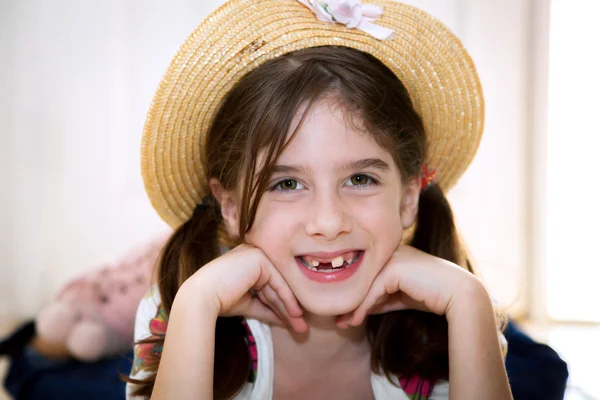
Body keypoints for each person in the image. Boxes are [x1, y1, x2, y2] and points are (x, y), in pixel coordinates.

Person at [126, 0, 513, 399]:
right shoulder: (183, 310)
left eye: (360, 178)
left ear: (408, 198)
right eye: (287, 185)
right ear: (230, 207)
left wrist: (469, 303)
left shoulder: (459, 317)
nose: (328, 223)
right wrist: (195, 304)